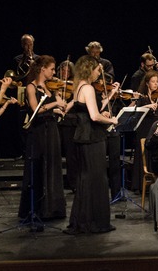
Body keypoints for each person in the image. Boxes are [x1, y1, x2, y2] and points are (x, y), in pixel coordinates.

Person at [64, 56, 119, 235]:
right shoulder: (87, 87)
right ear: (90, 69)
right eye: (97, 70)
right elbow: (95, 116)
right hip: (92, 137)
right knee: (96, 179)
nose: (98, 73)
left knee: (87, 178)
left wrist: (110, 95)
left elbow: (91, 110)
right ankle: (94, 222)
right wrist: (111, 120)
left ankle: (84, 220)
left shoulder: (79, 86)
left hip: (84, 136)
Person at [18, 55, 67, 222]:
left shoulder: (49, 87)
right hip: (38, 131)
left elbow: (55, 106)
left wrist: (59, 107)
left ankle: (52, 209)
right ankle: (36, 209)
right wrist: (54, 105)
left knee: (52, 166)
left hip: (51, 129)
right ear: (42, 69)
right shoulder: (31, 87)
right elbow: (35, 109)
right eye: (52, 69)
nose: (54, 72)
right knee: (39, 167)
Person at [56, 59, 79, 192]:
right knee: (56, 153)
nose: (64, 73)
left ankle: (73, 183)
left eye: (67, 71)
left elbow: (75, 99)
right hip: (57, 121)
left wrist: (65, 108)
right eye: (62, 70)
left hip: (70, 122)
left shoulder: (74, 85)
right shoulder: (56, 84)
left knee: (71, 155)